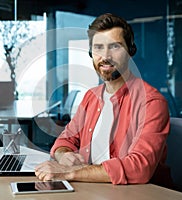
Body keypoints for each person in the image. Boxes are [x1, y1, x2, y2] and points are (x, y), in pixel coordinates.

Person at [35, 13, 173, 187]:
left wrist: (69, 172)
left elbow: (140, 167)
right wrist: (64, 155)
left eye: (115, 47)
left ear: (131, 51)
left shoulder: (151, 102)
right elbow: (66, 139)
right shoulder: (91, 98)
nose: (105, 56)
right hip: (93, 188)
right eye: (98, 48)